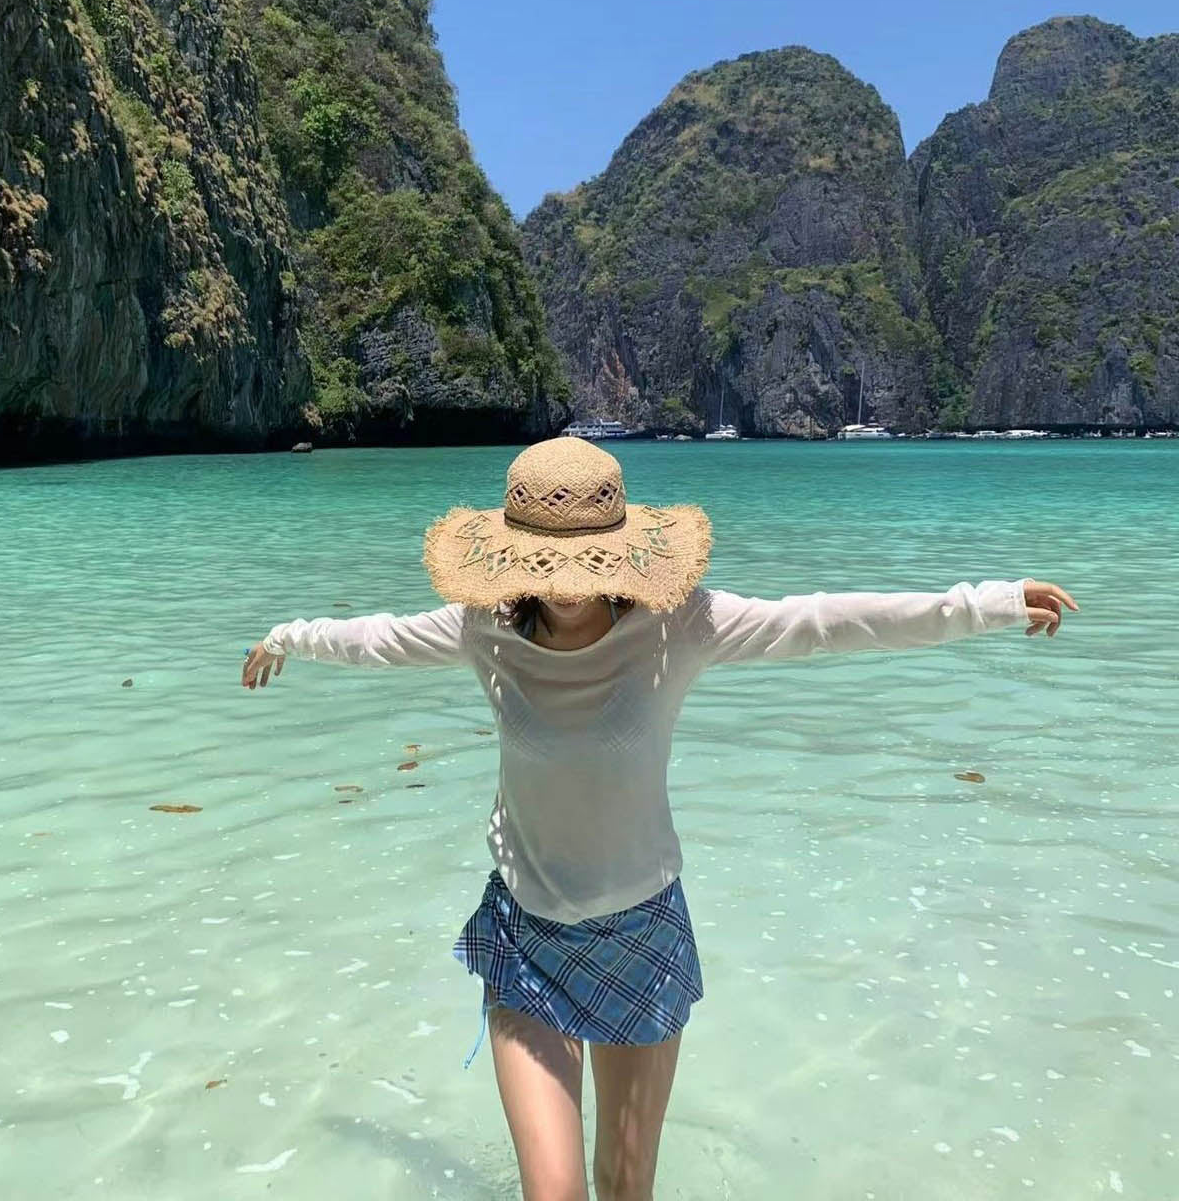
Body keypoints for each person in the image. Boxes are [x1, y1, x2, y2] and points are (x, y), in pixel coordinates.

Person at [241, 436, 1077, 1201]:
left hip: (641, 937)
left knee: (624, 1186)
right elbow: (376, 639)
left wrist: (988, 604)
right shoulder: (483, 631)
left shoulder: (680, 627)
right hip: (526, 938)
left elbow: (819, 622)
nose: (567, 584)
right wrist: (287, 636)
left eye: (587, 560)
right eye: (546, 562)